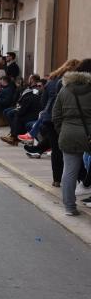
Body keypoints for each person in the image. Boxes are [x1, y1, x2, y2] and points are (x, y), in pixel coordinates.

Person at [52, 59, 91, 216]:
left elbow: (56, 115)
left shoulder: (64, 89)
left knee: (69, 172)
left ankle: (69, 207)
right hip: (89, 135)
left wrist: (63, 130)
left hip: (68, 134)